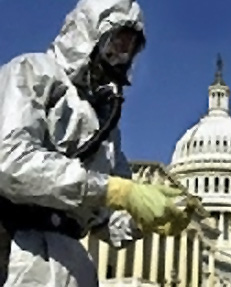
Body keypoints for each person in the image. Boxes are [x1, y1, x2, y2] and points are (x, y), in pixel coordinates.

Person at [0, 0, 199, 286]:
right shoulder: (32, 71)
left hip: (71, 262)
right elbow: (10, 162)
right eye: (115, 42)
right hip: (16, 249)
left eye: (129, 47)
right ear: (89, 31)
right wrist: (114, 190)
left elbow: (108, 223)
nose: (120, 55)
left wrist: (149, 218)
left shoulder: (104, 119)